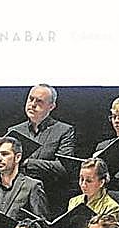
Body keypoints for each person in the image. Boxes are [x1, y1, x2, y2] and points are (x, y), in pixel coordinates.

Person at [8, 84, 76, 212]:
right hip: (17, 199)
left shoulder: (64, 130)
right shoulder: (14, 131)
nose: (32, 104)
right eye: (30, 99)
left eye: (39, 101)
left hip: (49, 198)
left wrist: (29, 163)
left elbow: (64, 167)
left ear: (51, 106)